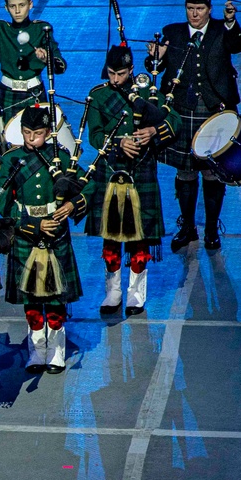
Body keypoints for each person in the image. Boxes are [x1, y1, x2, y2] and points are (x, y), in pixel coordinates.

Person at [147, 0, 241, 251]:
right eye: (190, 9)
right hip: (182, 110)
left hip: (215, 110)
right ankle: (188, 227)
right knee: (186, 171)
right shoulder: (172, 32)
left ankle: (212, 229)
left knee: (213, 171)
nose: (195, 14)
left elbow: (238, 45)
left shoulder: (220, 30)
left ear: (209, 9)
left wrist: (230, 21)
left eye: (200, 9)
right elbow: (155, 68)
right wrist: (154, 58)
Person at [83, 44, 180, 315]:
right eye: (112, 73)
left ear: (132, 70)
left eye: (121, 73)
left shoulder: (147, 94)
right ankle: (112, 292)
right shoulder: (98, 96)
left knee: (139, 237)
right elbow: (94, 135)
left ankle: (136, 294)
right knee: (111, 237)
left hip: (141, 172)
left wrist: (153, 131)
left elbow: (174, 121)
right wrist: (118, 143)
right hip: (111, 174)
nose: (115, 79)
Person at [0, 105, 91, 374]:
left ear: (49, 133)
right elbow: (3, 203)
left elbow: (89, 183)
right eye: (26, 133)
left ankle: (57, 351)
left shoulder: (61, 157)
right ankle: (37, 351)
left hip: (57, 231)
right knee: (31, 298)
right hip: (27, 231)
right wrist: (32, 224)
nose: (30, 139)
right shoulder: (10, 159)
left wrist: (73, 205)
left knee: (54, 297)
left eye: (37, 133)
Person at [0, 0, 67, 162]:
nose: (17, 10)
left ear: (30, 4)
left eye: (21, 5)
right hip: (7, 94)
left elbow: (60, 66)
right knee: (5, 150)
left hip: (35, 94)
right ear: (6, 8)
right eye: (12, 6)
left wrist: (47, 58)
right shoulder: (0, 29)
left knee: (37, 145)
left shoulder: (42, 30)